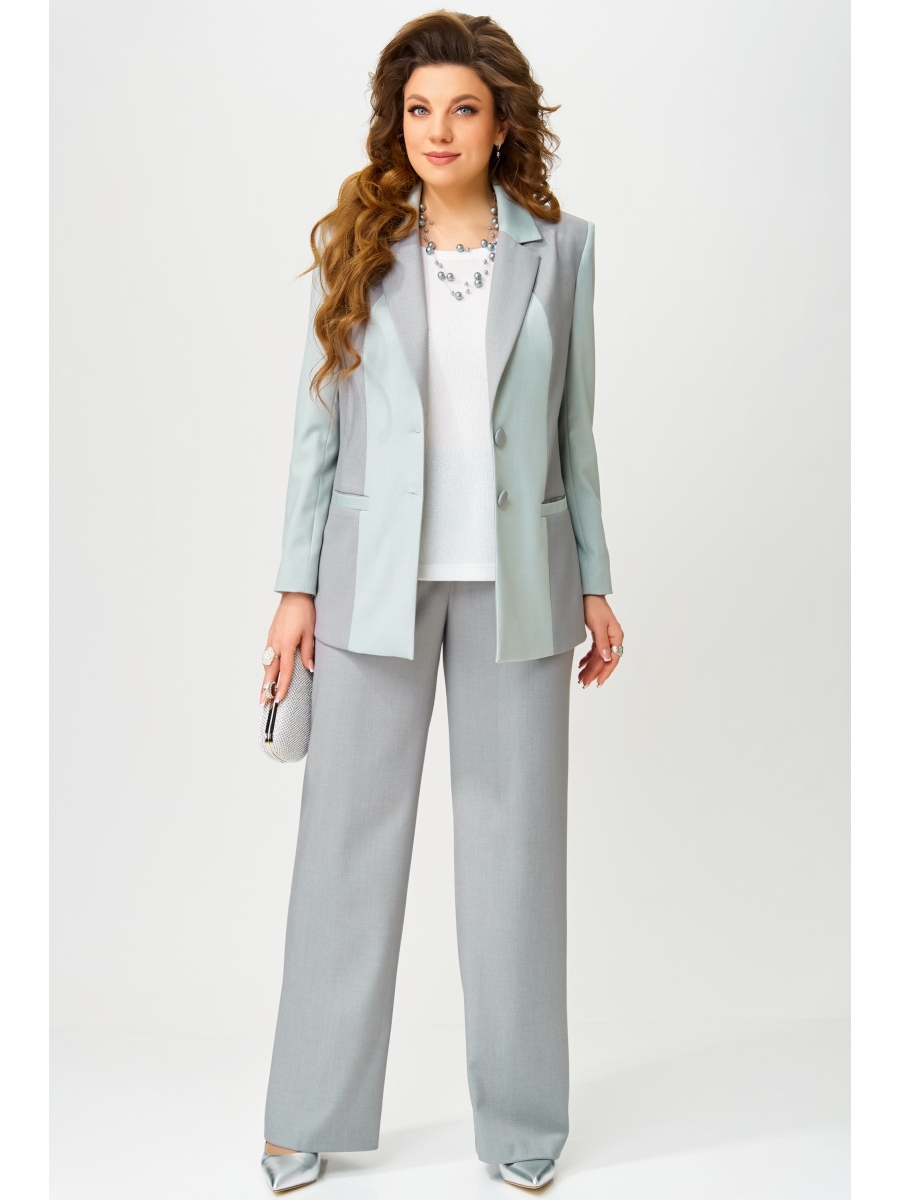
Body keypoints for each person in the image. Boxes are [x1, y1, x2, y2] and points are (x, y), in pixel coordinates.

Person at [258, 11, 623, 1192]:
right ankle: (304, 1112)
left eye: (462, 108)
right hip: (371, 583)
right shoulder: (356, 243)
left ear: (501, 123)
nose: (438, 130)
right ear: (397, 123)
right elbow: (316, 430)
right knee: (344, 849)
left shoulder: (561, 251)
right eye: (419, 109)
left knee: (516, 861)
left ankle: (522, 1124)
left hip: (522, 587)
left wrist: (597, 581)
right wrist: (294, 587)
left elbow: (574, 435)